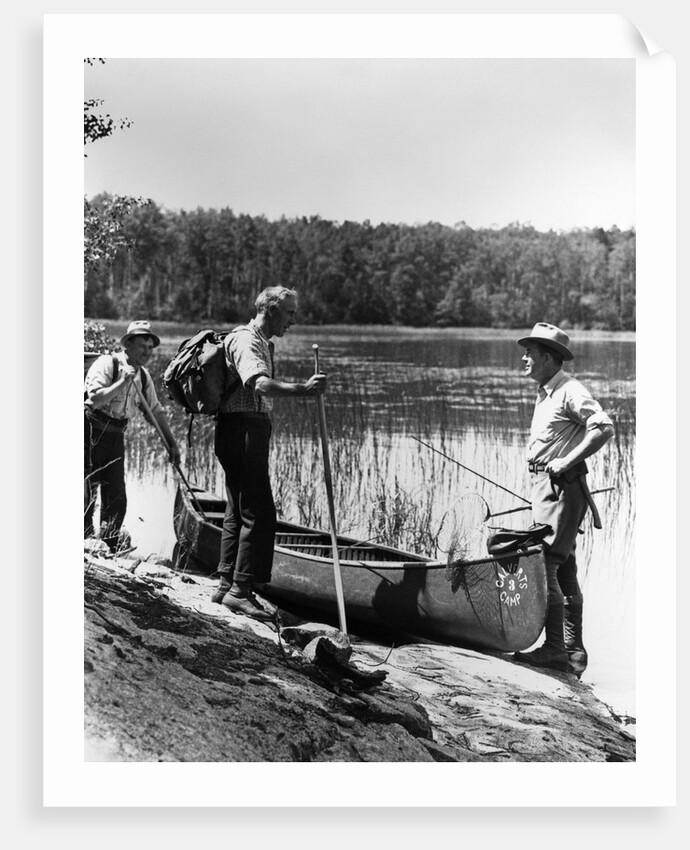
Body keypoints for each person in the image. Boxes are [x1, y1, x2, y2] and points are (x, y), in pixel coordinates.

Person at [211, 286, 327, 621]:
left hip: (239, 427)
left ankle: (225, 583)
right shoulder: (247, 340)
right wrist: (302, 390)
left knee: (238, 506)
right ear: (272, 309)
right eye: (290, 313)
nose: (293, 320)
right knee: (259, 512)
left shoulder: (257, 340)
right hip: (244, 428)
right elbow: (258, 383)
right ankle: (241, 591)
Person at [514, 322, 614, 676]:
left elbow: (603, 427)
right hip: (551, 486)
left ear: (549, 358)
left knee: (547, 564)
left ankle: (556, 648)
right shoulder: (546, 392)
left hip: (559, 485)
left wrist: (565, 461)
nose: (525, 358)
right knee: (565, 565)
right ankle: (574, 652)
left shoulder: (570, 390)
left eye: (530, 353)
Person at [84, 320, 182, 552]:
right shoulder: (107, 364)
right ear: (127, 345)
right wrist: (121, 383)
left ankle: (108, 545)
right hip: (90, 432)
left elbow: (155, 411)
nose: (146, 352)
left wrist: (171, 443)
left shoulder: (144, 376)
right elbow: (95, 399)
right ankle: (84, 544)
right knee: (84, 491)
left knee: (116, 496)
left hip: (116, 437)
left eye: (150, 348)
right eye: (141, 347)